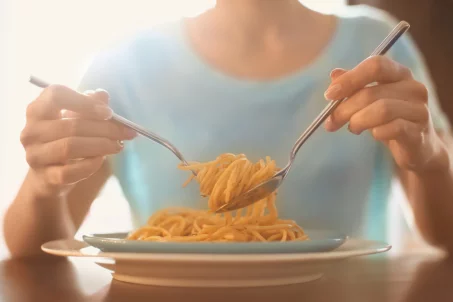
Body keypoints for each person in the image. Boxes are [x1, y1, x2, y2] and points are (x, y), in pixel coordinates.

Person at [5, 0, 453, 258]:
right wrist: (45, 184)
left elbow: (444, 237)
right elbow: (30, 250)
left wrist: (431, 159)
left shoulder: (372, 48)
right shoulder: (124, 63)